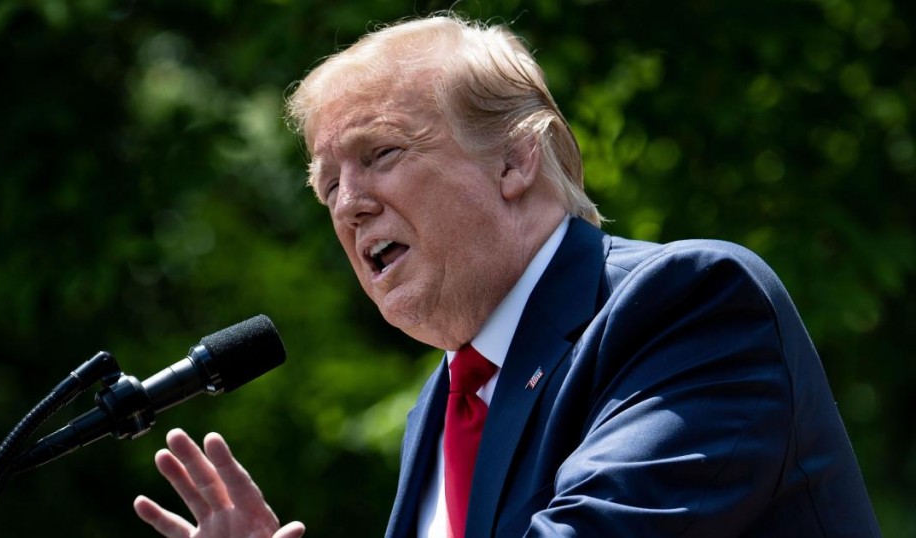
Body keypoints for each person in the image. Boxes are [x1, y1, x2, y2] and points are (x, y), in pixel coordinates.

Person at [133, 13, 881, 538]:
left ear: (516, 159)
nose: (350, 205)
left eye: (381, 154)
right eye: (327, 187)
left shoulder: (690, 303)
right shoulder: (440, 408)